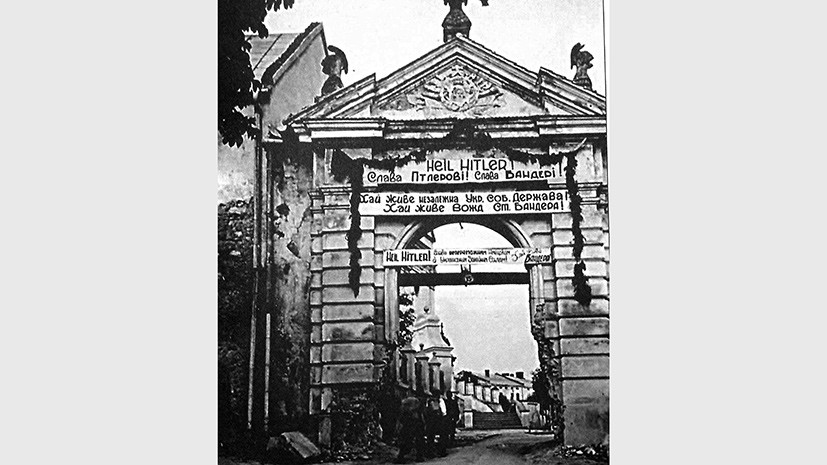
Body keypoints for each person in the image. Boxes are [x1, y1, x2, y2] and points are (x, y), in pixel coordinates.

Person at [395, 394, 425, 463]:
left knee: (409, 441)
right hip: (412, 424)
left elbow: (401, 419)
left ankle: (402, 457)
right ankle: (418, 456)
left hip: (412, 424)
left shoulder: (408, 404)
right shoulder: (415, 403)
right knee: (413, 441)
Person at [423, 389, 448, 457]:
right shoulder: (439, 401)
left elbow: (426, 411)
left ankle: (430, 452)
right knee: (441, 436)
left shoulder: (429, 401)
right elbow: (443, 412)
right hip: (438, 420)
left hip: (431, 421)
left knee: (430, 437)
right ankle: (441, 452)